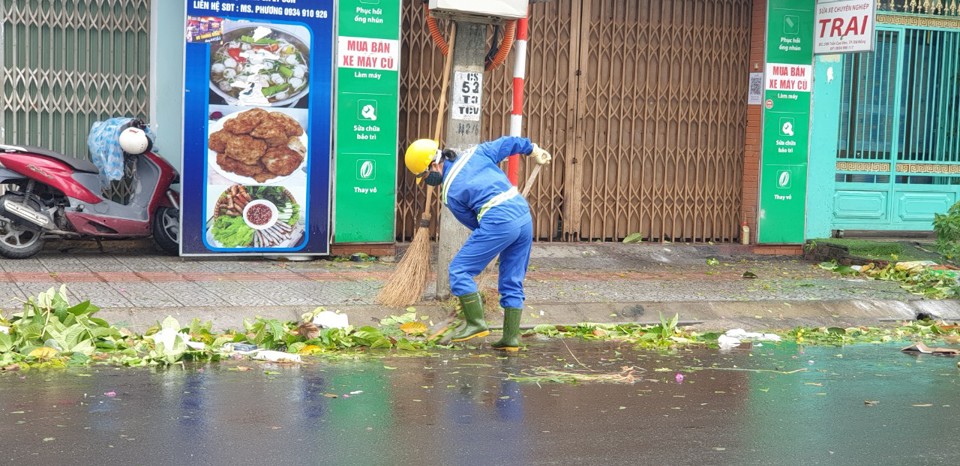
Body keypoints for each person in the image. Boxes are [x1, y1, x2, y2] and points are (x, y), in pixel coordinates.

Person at [403, 136, 552, 351]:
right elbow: (509, 143)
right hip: (523, 217)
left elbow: (474, 223)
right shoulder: (477, 153)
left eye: (425, 176)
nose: (427, 181)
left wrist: (495, 239)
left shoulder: (450, 192)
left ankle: (475, 323)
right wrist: (533, 149)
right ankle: (510, 339)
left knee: (459, 270)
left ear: (434, 165)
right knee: (512, 279)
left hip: (499, 222)